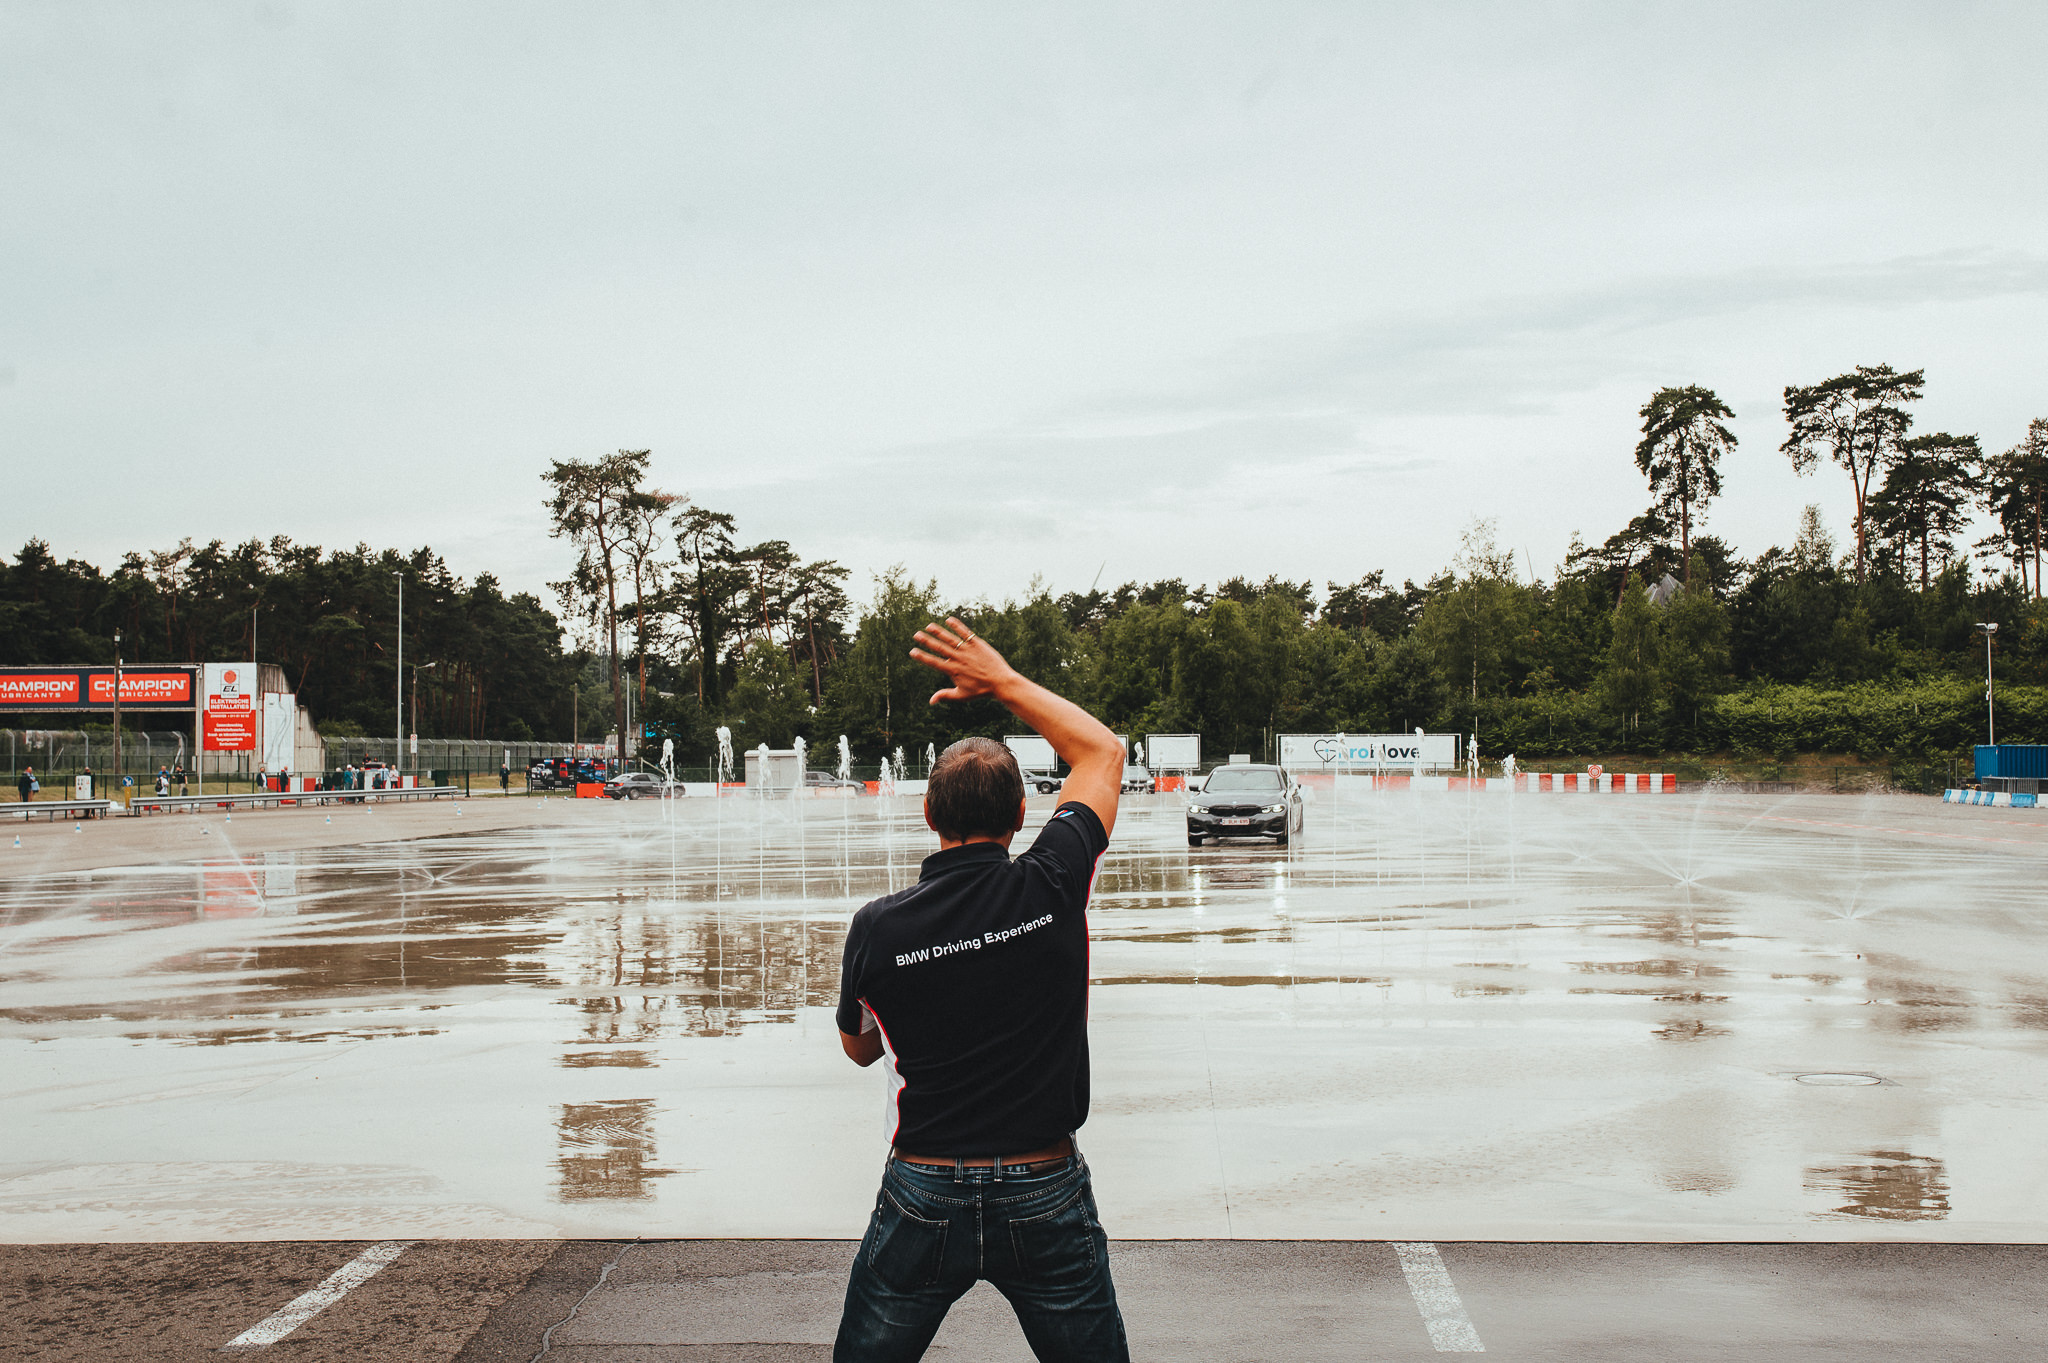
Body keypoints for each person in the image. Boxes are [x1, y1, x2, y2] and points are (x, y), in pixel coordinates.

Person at [832, 618, 1129, 1363]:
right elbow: (1102, 751)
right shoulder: (1055, 880)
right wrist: (1002, 682)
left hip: (923, 1189)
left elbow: (859, 1049)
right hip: (1045, 1184)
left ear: (929, 815)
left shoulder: (877, 926)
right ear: (1024, 815)